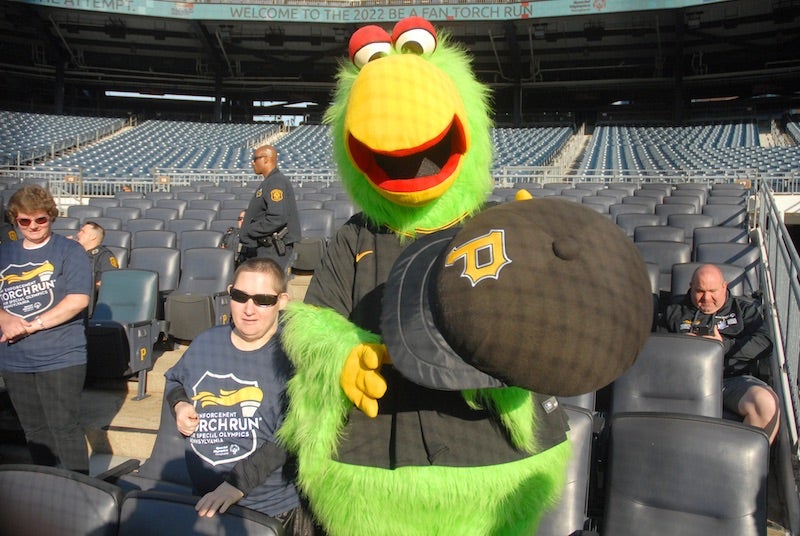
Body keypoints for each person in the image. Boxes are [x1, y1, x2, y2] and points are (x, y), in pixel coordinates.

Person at [164, 258, 314, 534]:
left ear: (282, 301)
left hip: (270, 513)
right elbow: (175, 379)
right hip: (206, 504)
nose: (249, 310)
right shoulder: (206, 342)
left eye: (262, 300)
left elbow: (290, 437)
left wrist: (236, 485)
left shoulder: (293, 359)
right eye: (240, 296)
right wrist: (180, 404)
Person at [0, 185, 93, 473]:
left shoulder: (69, 250)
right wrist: (4, 319)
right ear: (15, 220)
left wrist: (32, 326)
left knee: (63, 427)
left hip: (61, 355)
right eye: (24, 221)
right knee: (34, 430)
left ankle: (80, 489)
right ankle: (47, 486)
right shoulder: (5, 253)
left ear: (50, 217)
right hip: (15, 358)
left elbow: (78, 299)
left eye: (40, 219)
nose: (33, 226)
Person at [663, 263, 779, 443]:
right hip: (684, 381)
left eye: (713, 291)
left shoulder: (745, 310)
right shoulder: (674, 312)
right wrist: (686, 346)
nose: (706, 298)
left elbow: (765, 343)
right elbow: (657, 351)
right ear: (690, 287)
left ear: (725, 287)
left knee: (766, 403)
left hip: (730, 380)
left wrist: (722, 345)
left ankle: (739, 465)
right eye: (700, 291)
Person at [240, 145, 301, 274]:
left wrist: (250, 230)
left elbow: (277, 217)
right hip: (266, 248)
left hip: (272, 248)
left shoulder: (276, 182)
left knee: (266, 290)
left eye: (255, 158)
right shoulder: (270, 181)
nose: (252, 162)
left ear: (266, 159)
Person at [75, 221, 119, 290]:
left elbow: (110, 280)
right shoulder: (74, 252)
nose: (78, 234)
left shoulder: (104, 255)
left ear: (93, 237)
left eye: (82, 232)